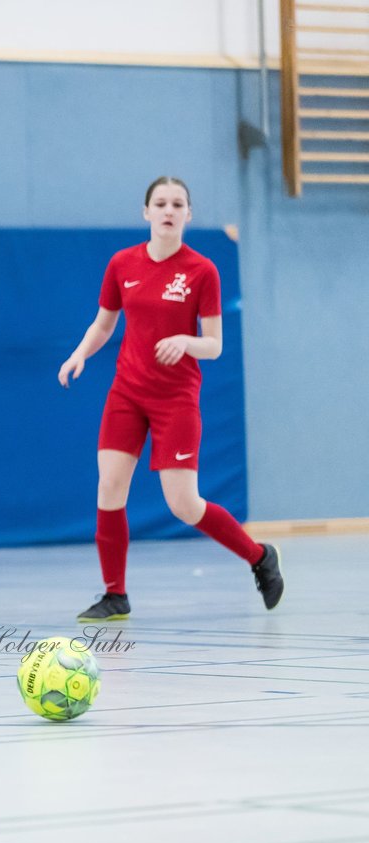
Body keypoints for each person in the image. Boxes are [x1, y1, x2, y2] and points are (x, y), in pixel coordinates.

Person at [58, 176, 283, 622]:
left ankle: (259, 555)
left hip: (175, 397)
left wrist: (185, 340)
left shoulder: (202, 270)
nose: (168, 209)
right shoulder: (123, 264)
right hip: (127, 391)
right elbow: (104, 324)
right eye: (160, 203)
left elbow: (214, 344)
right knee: (109, 487)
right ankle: (115, 594)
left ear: (188, 214)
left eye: (177, 203)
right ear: (146, 212)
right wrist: (80, 353)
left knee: (183, 503)